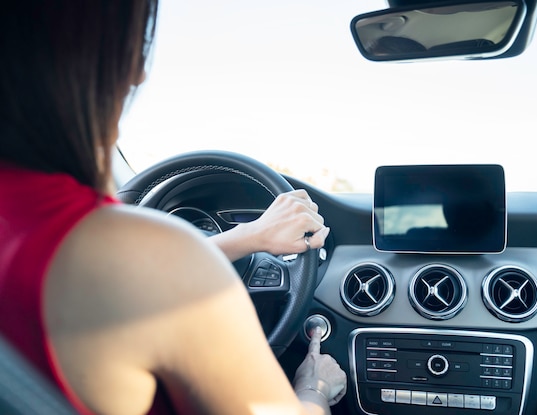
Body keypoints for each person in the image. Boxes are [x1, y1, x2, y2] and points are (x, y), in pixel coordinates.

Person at [0, 1, 346, 415]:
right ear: (91, 58)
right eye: (135, 46)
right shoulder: (148, 258)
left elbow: (131, 283)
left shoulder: (138, 263)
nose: (140, 74)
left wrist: (249, 237)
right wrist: (315, 390)